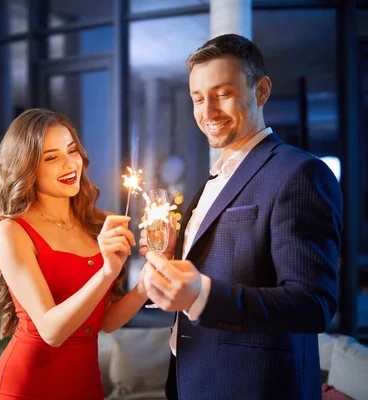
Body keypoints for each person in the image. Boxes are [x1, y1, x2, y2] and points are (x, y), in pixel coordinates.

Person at [139, 34, 343, 399]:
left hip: (253, 387)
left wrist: (202, 294)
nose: (208, 111)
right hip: (191, 379)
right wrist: (174, 257)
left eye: (223, 93)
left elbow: (313, 304)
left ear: (261, 90)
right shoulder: (211, 181)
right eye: (198, 98)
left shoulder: (300, 173)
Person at [0, 108, 149, 400]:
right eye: (51, 157)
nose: (69, 163)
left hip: (85, 383)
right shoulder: (12, 230)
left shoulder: (98, 222)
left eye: (71, 150)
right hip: (29, 385)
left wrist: (148, 283)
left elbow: (105, 321)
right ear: (27, 168)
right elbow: (51, 331)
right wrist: (106, 272)